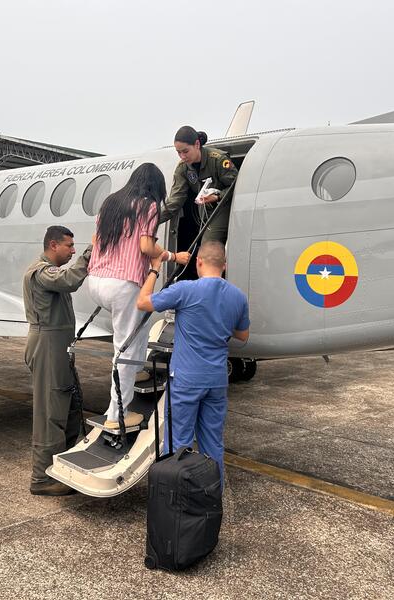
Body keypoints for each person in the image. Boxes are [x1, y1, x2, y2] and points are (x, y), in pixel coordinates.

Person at [136, 241, 249, 485]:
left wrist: (154, 269)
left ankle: (180, 504)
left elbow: (143, 302)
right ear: (224, 266)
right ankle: (210, 500)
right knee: (213, 443)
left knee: (179, 443)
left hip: (187, 379)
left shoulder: (185, 289)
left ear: (199, 262)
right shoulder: (238, 296)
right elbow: (243, 335)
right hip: (217, 379)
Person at [88, 163, 190, 429]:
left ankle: (136, 369)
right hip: (123, 283)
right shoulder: (148, 205)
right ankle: (116, 416)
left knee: (142, 323)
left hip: (97, 279)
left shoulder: (111, 202)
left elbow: (95, 237)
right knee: (124, 346)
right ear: (156, 187)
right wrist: (172, 256)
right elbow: (146, 246)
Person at [23, 226, 92, 496]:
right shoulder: (41, 272)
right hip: (47, 347)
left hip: (60, 347)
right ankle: (41, 479)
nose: (73, 250)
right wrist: (91, 251)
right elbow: (71, 279)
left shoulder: (50, 272)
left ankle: (60, 466)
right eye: (69, 246)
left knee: (71, 405)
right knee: (49, 414)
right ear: (53, 245)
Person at [160, 126, 240, 249]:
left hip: (223, 207)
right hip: (204, 212)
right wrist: (152, 220)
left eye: (185, 151)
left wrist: (217, 196)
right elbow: (175, 200)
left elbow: (236, 186)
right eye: (178, 152)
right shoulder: (183, 168)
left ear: (197, 144)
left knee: (207, 248)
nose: (182, 156)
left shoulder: (218, 160)